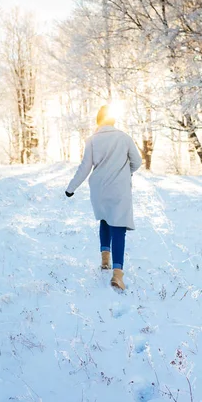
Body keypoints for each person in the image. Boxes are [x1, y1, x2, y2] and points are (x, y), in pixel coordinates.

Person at [65, 105, 142, 290]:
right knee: (119, 226)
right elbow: (137, 161)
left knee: (105, 219)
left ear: (98, 121)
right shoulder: (124, 137)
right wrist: (125, 173)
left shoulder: (92, 140)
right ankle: (117, 274)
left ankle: (105, 261)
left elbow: (84, 167)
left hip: (99, 188)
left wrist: (71, 188)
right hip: (119, 189)